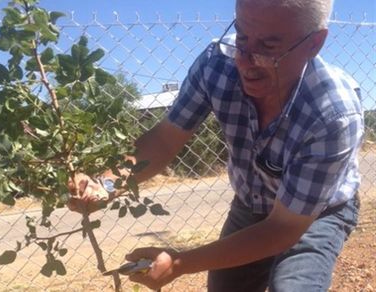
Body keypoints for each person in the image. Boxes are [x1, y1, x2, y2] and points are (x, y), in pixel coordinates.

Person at [68, 0, 364, 291]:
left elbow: (282, 228)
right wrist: (104, 185)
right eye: (243, 37)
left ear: (314, 44)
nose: (245, 60)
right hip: (252, 202)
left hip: (315, 212)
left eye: (268, 48)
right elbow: (163, 140)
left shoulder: (333, 113)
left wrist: (179, 263)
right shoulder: (217, 64)